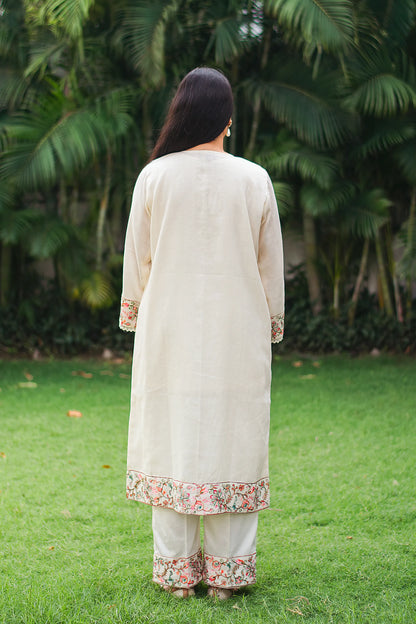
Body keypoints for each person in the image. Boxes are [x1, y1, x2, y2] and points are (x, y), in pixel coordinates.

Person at [119, 67, 284, 600]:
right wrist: (272, 322)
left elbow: (137, 262)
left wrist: (136, 314)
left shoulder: (155, 177)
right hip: (238, 336)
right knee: (234, 440)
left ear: (182, 114)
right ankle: (227, 576)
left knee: (173, 439)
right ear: (228, 120)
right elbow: (269, 266)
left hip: (168, 334)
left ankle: (177, 576)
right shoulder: (254, 178)